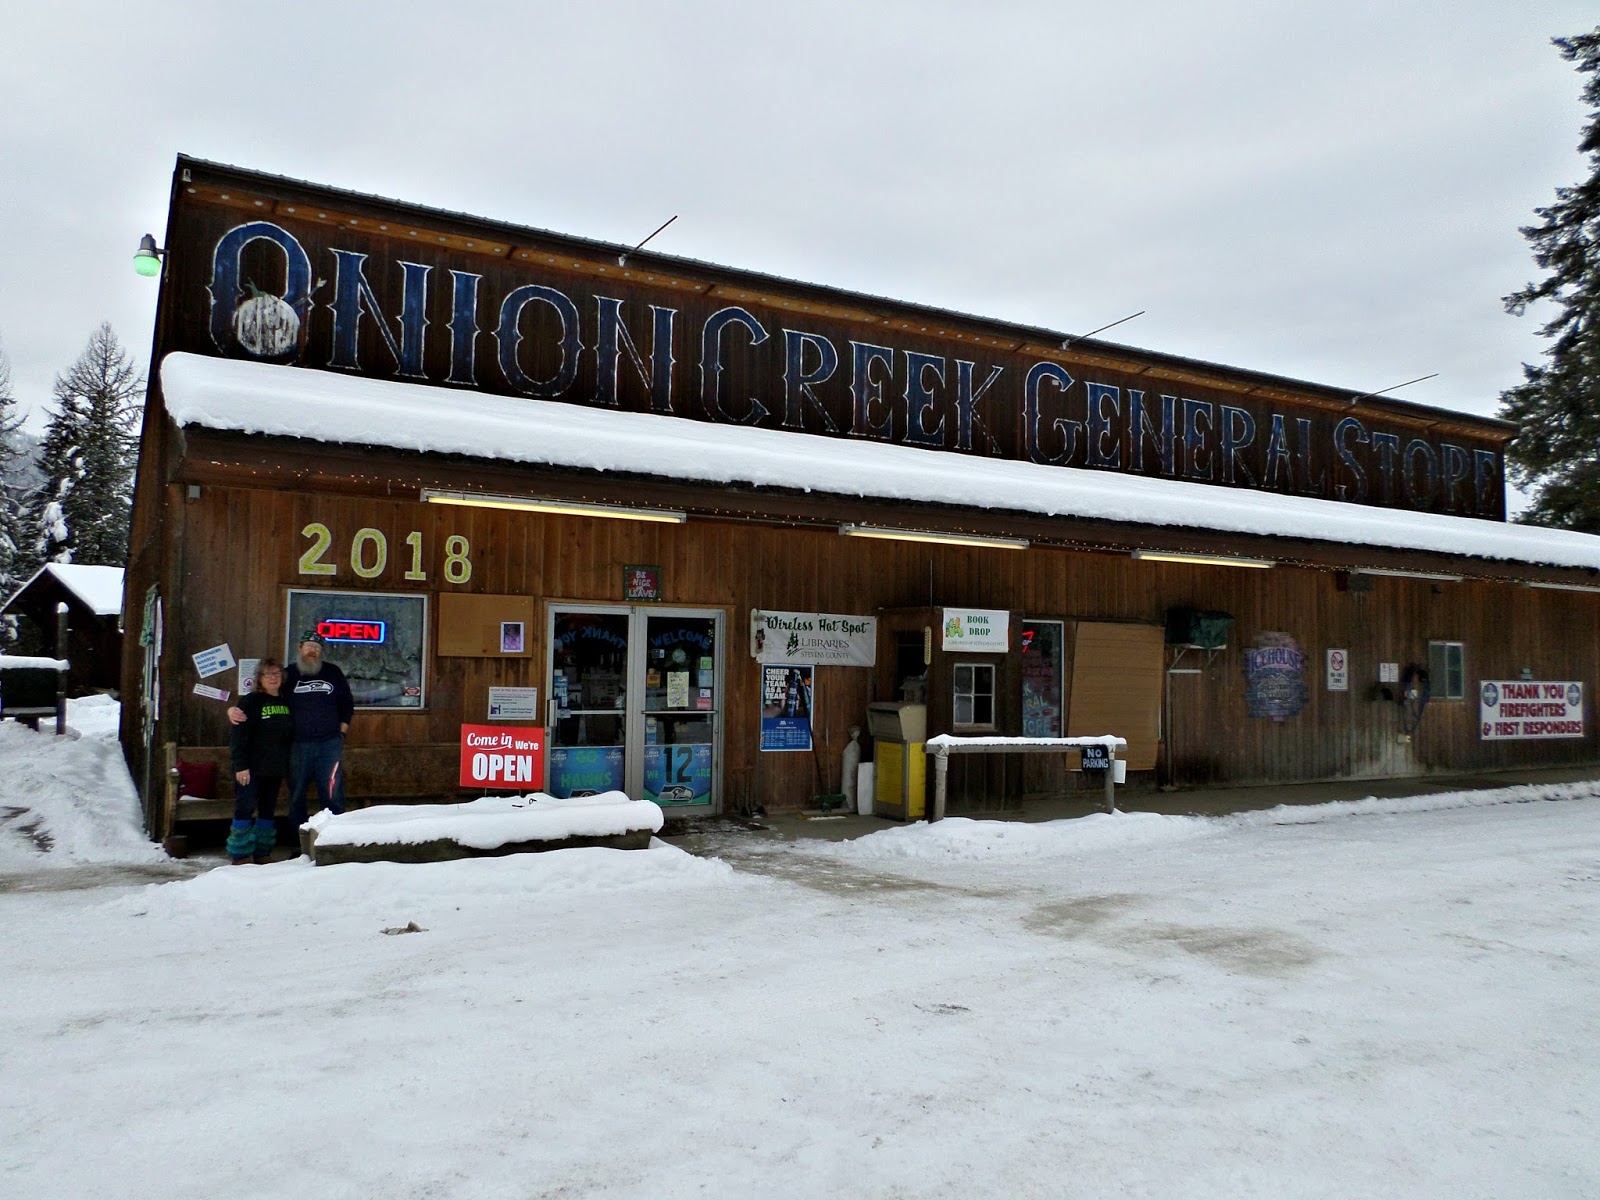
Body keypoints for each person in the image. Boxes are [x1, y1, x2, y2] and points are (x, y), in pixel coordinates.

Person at [229, 631, 354, 845]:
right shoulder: (288, 675)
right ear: (300, 648)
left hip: (330, 745)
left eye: (317, 647)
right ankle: (299, 845)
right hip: (298, 745)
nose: (312, 650)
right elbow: (264, 696)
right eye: (309, 646)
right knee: (296, 795)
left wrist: (342, 729)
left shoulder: (333, 672)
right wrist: (231, 709)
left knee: (332, 793)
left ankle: (335, 843)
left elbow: (347, 703)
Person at [227, 659, 294, 864]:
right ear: (260, 679)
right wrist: (241, 766)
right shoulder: (251, 701)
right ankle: (239, 854)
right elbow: (238, 736)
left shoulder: (287, 701)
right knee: (245, 807)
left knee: (267, 809)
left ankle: (263, 852)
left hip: (275, 768)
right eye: (268, 674)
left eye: (276, 674)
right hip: (250, 768)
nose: (273, 678)